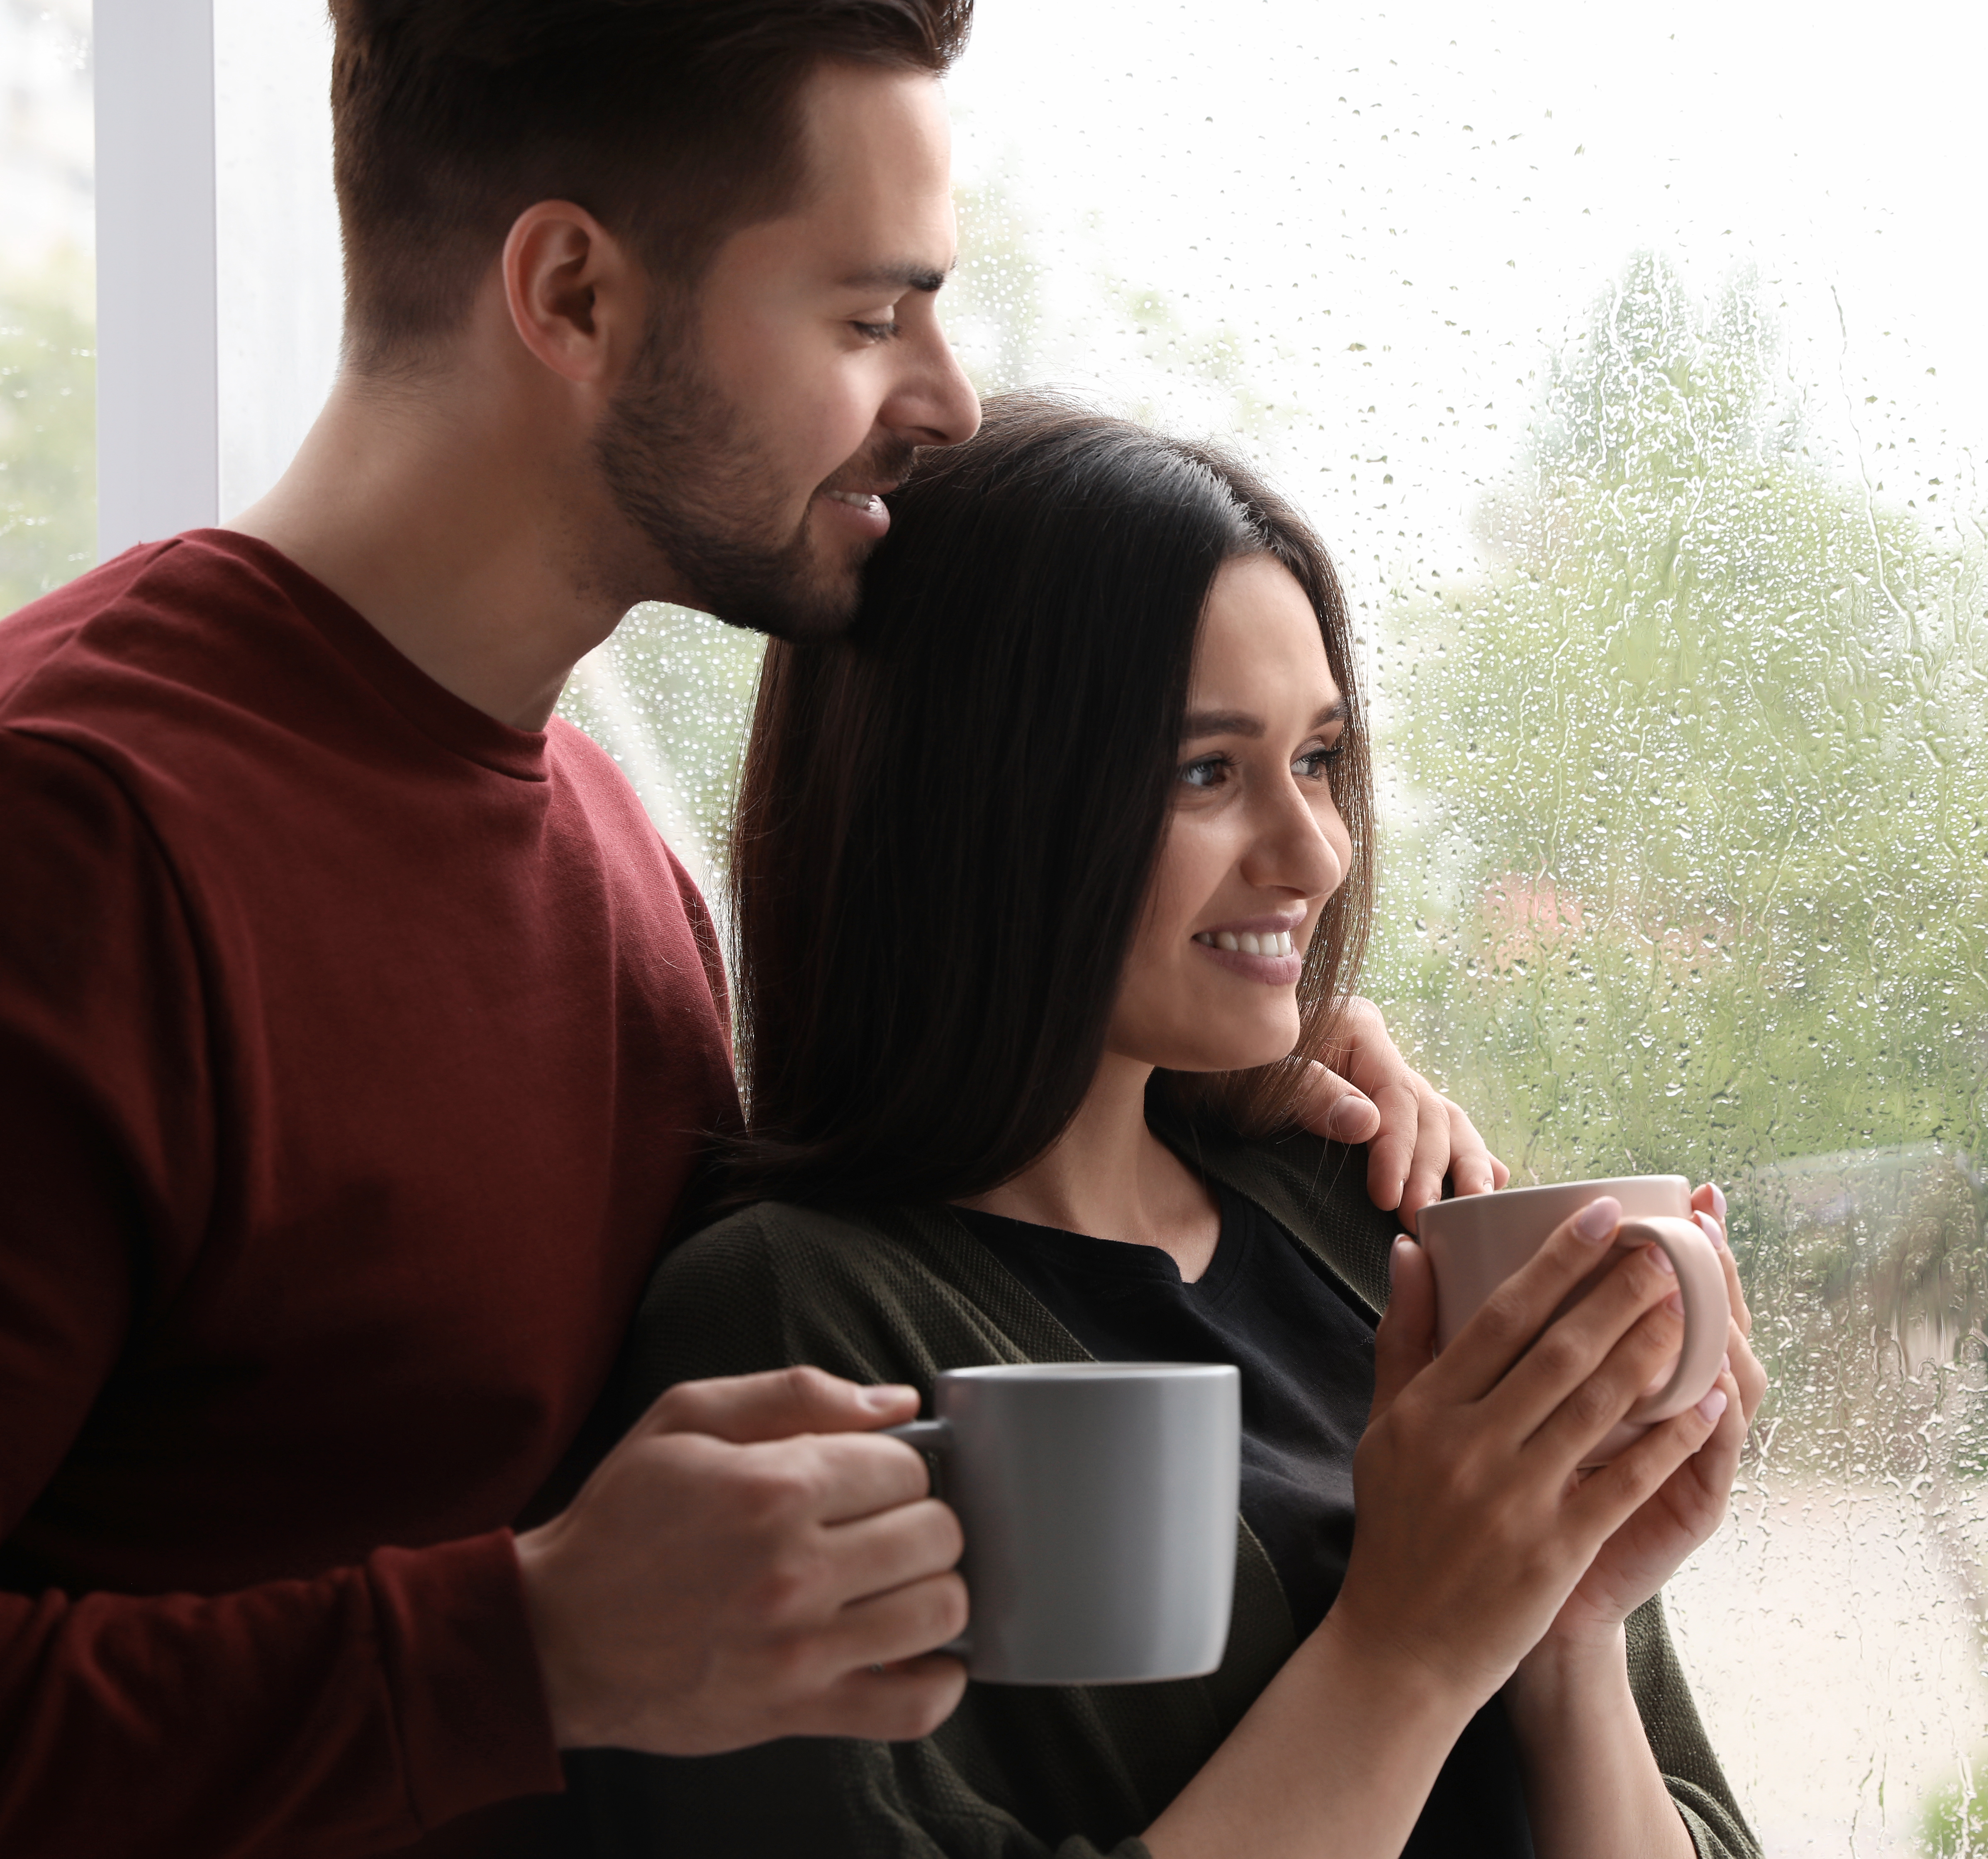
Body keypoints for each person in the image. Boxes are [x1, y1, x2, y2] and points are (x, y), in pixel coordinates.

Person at [0, 6, 1498, 1854]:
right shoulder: (72, 839)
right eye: (871, 318)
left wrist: (1228, 1088)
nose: (944, 396)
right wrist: (527, 1646)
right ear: (569, 295)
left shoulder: (616, 867)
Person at [566, 395, 1769, 1859]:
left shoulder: (1365, 1212)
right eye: (1208, 771)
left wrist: (1564, 1633)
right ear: (981, 806)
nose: (1315, 852)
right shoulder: (787, 1323)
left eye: (1319, 759)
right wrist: (1408, 1648)